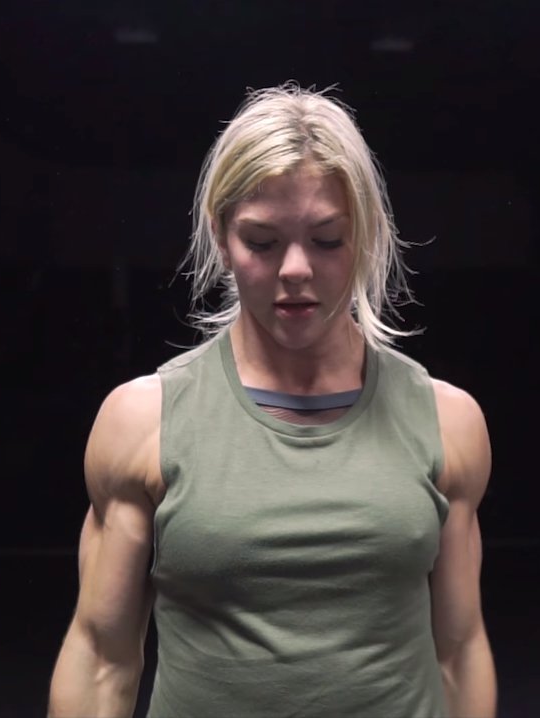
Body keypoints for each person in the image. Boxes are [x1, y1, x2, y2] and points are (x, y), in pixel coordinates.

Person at [48, 81, 496, 718]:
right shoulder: (142, 422)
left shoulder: (447, 421)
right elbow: (101, 659)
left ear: (366, 237)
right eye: (262, 241)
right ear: (221, 236)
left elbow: (459, 651)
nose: (295, 269)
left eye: (327, 240)